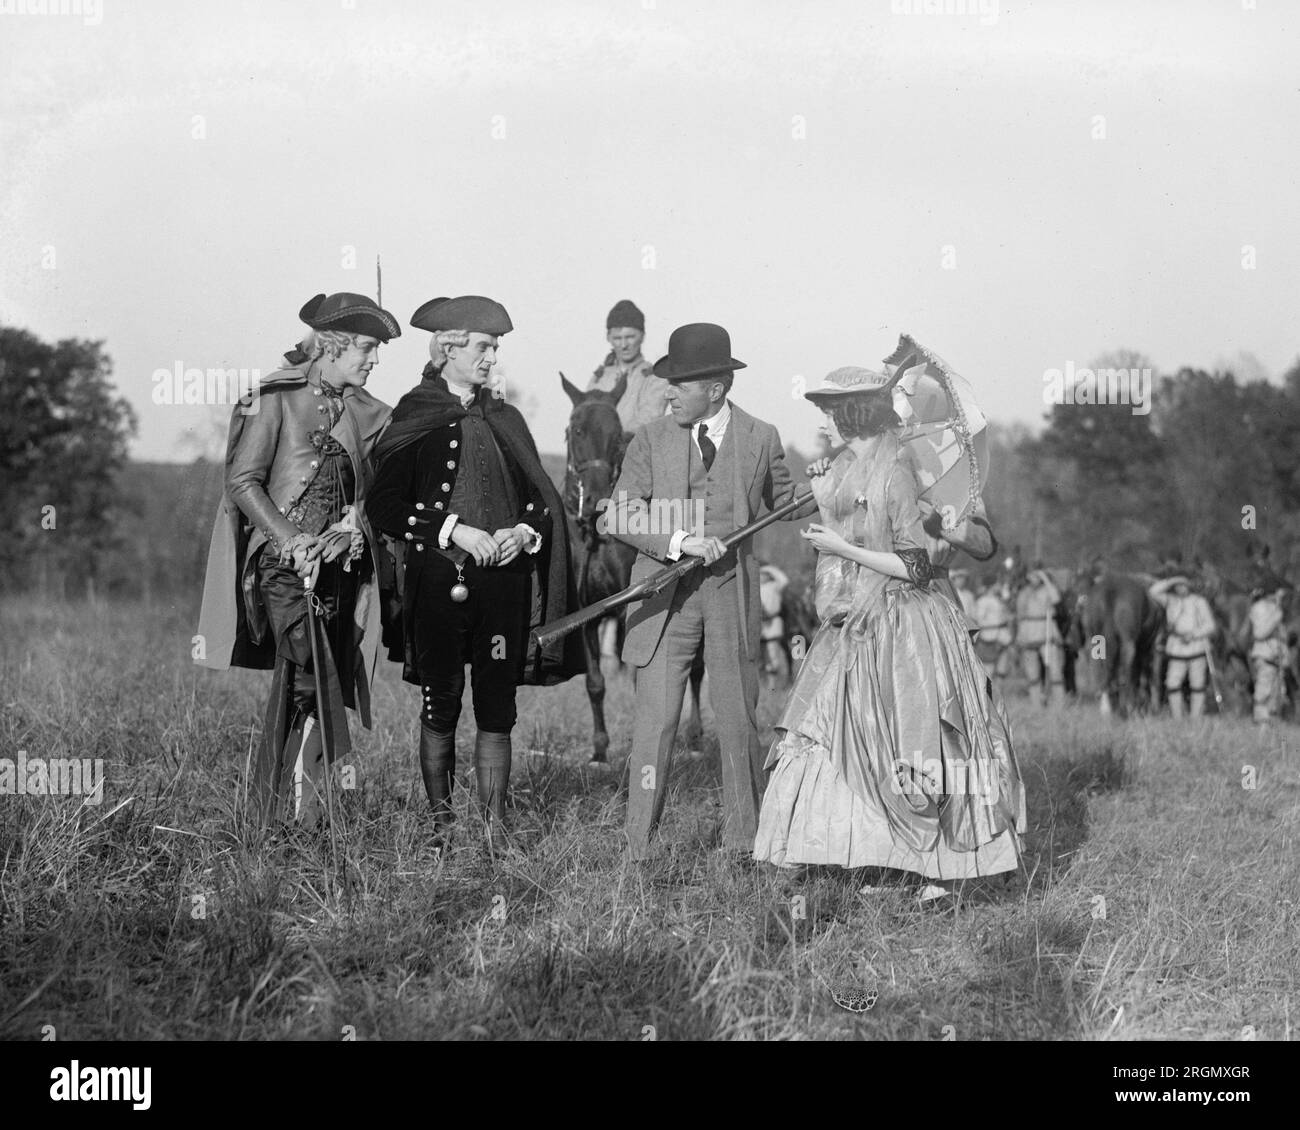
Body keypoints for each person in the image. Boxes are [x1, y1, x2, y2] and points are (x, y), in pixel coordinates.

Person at [752, 366, 1025, 903]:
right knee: (840, 730)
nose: (898, 404)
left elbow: (972, 546)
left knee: (920, 736)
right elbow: (817, 511)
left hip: (916, 614)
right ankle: (874, 858)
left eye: (905, 396)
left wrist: (944, 522)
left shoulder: (936, 465)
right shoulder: (853, 462)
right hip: (858, 614)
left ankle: (934, 865)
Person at [367, 295, 583, 850]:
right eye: (484, 347)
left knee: (496, 705)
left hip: (504, 586)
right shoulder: (413, 413)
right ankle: (440, 827)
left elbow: (540, 501)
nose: (492, 358)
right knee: (440, 700)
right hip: (438, 584)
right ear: (448, 347)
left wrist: (521, 533)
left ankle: (493, 829)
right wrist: (454, 531)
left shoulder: (505, 417)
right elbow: (384, 507)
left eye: (495, 348)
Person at [608, 322, 817, 862]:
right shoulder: (649, 439)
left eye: (679, 383)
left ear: (716, 388)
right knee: (655, 724)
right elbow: (620, 514)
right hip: (662, 599)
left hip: (730, 595)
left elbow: (787, 500)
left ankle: (745, 843)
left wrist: (833, 484)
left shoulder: (762, 437)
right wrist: (679, 540)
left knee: (737, 721)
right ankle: (637, 848)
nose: (668, 392)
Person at [196, 291, 399, 826]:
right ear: (333, 345)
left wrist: (357, 519)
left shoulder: (370, 412)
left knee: (302, 681)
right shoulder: (276, 398)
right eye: (367, 348)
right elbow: (243, 481)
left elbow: (378, 489)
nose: (375, 360)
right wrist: (290, 539)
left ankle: (289, 817)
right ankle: (299, 810)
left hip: (340, 571)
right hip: (281, 566)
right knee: (312, 669)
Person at [587, 299, 670, 433]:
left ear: (642, 336)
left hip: (636, 449)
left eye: (630, 337)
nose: (624, 345)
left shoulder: (655, 378)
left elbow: (650, 418)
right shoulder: (599, 378)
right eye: (617, 338)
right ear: (608, 338)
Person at [1148, 575, 1216, 717]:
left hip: (1196, 647)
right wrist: (1171, 580)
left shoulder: (1199, 602)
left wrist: (1194, 634)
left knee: (1197, 684)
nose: (1180, 588)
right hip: (1177, 648)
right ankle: (1177, 717)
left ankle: (1196, 718)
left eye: (1183, 585)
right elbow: (1153, 592)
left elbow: (1210, 625)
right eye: (1177, 586)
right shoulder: (1171, 601)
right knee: (1172, 683)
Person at [1015, 568, 1065, 707]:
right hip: (1028, 634)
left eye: (1038, 577)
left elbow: (1056, 599)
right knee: (1032, 673)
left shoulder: (1047, 590)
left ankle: (1058, 703)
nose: (1035, 579)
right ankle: (1036, 703)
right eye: (1032, 576)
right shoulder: (1024, 593)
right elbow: (1020, 614)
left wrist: (1047, 580)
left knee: (1054, 670)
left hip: (1046, 632)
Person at [1247, 585, 1289, 724]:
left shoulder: (1275, 608)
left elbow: (1282, 635)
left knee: (1277, 692)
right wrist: (1276, 617)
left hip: (1277, 656)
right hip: (1265, 654)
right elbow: (1259, 633)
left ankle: (1272, 721)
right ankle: (1261, 722)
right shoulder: (1260, 607)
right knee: (1263, 689)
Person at [974, 577, 1014, 682]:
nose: (999, 586)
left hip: (1003, 638)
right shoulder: (982, 601)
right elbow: (979, 620)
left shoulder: (999, 600)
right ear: (991, 586)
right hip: (988, 638)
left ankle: (1000, 696)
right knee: (988, 672)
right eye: (997, 584)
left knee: (1001, 672)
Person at [758, 560, 791, 686]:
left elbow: (784, 580)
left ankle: (771, 687)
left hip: (772, 624)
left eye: (764, 574)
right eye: (760, 574)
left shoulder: (774, 586)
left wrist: (770, 568)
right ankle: (763, 688)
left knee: (772, 657)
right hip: (759, 626)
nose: (762, 576)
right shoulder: (755, 587)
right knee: (760, 659)